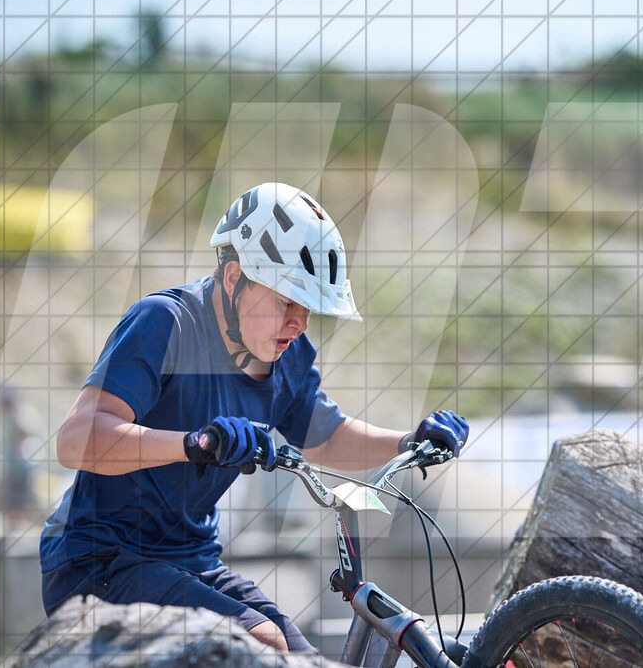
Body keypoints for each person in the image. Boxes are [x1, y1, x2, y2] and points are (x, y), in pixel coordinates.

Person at [38, 182, 470, 653]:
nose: (300, 322)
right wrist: (195, 443)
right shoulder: (165, 324)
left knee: (301, 654)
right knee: (261, 642)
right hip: (99, 562)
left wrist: (410, 441)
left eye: (309, 308)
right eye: (288, 302)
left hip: (192, 561)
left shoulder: (288, 356)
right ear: (233, 278)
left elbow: (324, 436)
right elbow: (76, 440)